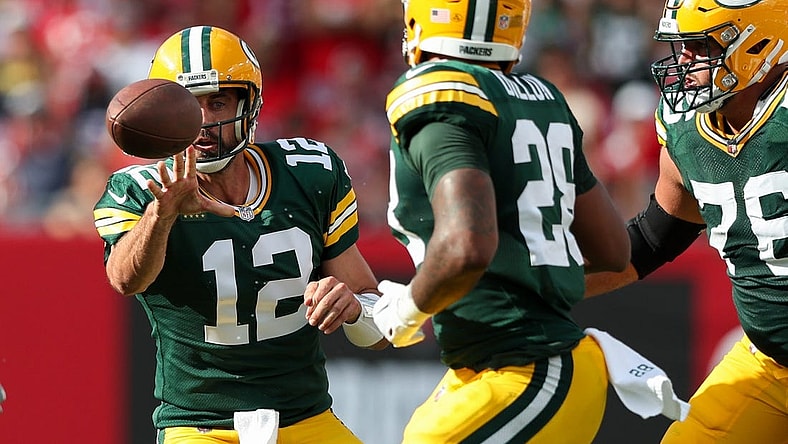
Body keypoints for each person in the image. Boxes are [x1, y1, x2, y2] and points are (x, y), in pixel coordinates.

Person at [93, 26, 386, 444]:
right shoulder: (140, 191)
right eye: (189, 106)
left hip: (304, 416)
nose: (205, 122)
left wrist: (354, 306)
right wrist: (164, 212)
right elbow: (124, 279)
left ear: (249, 104)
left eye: (218, 102)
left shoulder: (309, 173)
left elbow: (377, 333)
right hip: (199, 423)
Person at [369, 1, 644, 442]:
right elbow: (612, 251)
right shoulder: (544, 96)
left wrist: (408, 309)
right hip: (523, 368)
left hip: (527, 368)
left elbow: (467, 245)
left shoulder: (439, 92)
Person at [585, 0, 788, 442]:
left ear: (759, 45)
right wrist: (538, 283)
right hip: (772, 363)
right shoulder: (687, 128)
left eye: (699, 45)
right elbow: (655, 237)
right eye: (680, 47)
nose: (683, 62)